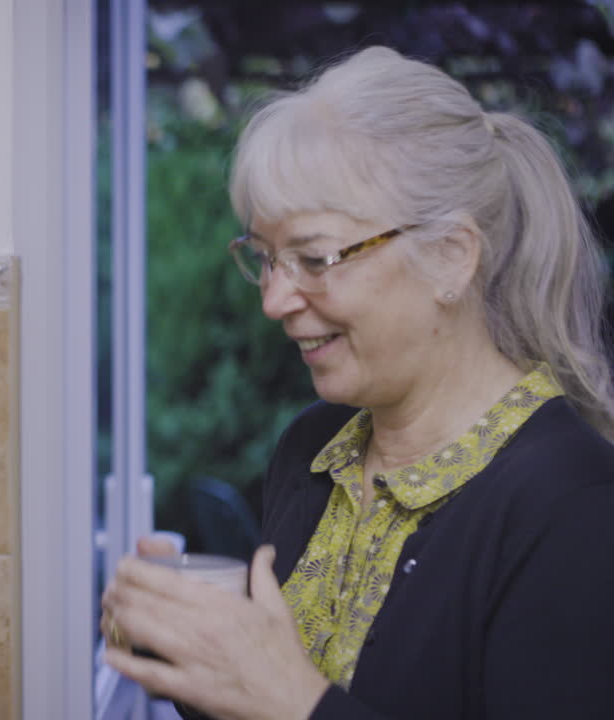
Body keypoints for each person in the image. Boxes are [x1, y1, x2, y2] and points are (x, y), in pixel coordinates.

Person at [100, 45, 614, 719]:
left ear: (452, 258)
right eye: (265, 260)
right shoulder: (315, 450)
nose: (275, 301)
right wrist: (195, 658)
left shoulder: (576, 505)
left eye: (314, 258)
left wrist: (293, 703)